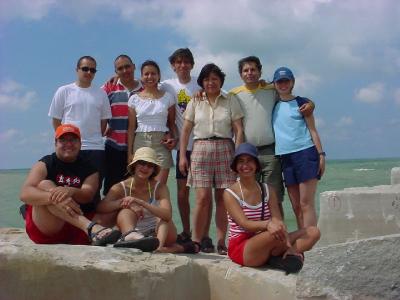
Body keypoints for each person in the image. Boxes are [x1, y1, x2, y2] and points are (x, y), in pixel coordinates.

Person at [229, 56, 314, 217]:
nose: (250, 73)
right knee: (250, 198)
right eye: (245, 70)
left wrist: (311, 104)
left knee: (273, 197)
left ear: (260, 71)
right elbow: (214, 94)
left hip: (271, 152)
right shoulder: (234, 94)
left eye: (253, 69)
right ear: (240, 74)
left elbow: (292, 96)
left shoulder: (271, 89)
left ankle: (280, 234)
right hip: (248, 153)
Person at [224, 143, 320, 273]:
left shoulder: (267, 190)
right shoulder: (230, 193)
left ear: (257, 165)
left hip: (268, 239)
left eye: (250, 161)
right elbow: (245, 224)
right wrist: (268, 224)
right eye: (241, 161)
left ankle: (287, 254)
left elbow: (278, 221)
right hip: (243, 248)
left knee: (313, 232)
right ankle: (281, 256)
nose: (245, 165)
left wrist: (282, 233)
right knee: (273, 233)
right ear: (235, 166)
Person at [179, 63, 244, 254]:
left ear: (221, 81)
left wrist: (238, 157)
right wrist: (182, 155)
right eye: (207, 79)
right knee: (202, 198)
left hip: (226, 148)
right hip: (200, 149)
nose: (211, 82)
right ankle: (196, 240)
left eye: (215, 79)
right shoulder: (195, 100)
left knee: (223, 199)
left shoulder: (230, 99)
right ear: (202, 82)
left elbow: (238, 129)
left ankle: (221, 241)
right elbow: (186, 130)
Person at [19, 124, 121, 246]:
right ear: (56, 143)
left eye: (73, 140)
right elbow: (25, 194)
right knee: (45, 185)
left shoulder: (90, 169)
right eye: (63, 140)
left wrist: (70, 191)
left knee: (120, 208)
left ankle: (129, 235)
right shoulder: (45, 164)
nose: (68, 144)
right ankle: (89, 227)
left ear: (80, 144)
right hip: (50, 227)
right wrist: (56, 196)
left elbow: (87, 195)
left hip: (76, 228)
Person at [97, 147, 194, 253]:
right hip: (133, 230)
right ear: (134, 165)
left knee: (162, 217)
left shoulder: (160, 188)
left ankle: (158, 247)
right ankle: (131, 236)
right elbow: (101, 207)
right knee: (125, 211)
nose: (145, 168)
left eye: (150, 165)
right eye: (142, 163)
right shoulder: (121, 187)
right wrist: (126, 202)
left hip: (160, 232)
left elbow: (167, 215)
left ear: (153, 170)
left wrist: (141, 203)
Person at [48, 55, 111, 192]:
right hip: (70, 149)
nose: (89, 72)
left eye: (93, 70)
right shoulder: (64, 91)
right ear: (77, 70)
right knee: (67, 189)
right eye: (85, 69)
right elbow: (56, 119)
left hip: (96, 149)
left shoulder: (101, 94)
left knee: (92, 192)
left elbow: (104, 121)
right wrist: (65, 141)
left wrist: (95, 137)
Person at [272, 67, 325, 229]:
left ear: (292, 82)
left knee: (306, 203)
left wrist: (321, 155)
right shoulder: (273, 103)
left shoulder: (302, 103)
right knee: (296, 206)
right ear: (274, 84)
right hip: (285, 157)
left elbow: (313, 130)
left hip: (305, 153)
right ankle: (303, 242)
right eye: (279, 81)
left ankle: (311, 239)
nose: (283, 84)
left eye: (286, 81)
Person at [159, 48, 202, 244]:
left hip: (202, 145)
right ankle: (186, 231)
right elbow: (144, 85)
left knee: (203, 195)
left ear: (192, 64)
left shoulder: (200, 84)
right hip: (182, 149)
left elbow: (224, 93)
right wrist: (114, 81)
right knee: (182, 193)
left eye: (186, 62)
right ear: (173, 66)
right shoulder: (167, 85)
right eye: (178, 62)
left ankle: (202, 235)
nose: (183, 65)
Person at [127, 60, 177, 184]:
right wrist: (129, 153)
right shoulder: (134, 99)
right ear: (142, 77)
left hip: (162, 143)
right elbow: (131, 128)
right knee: (141, 185)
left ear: (159, 76)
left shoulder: (168, 97)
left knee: (159, 187)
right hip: (141, 141)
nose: (150, 77)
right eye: (146, 74)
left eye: (153, 74)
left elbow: (171, 124)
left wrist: (173, 139)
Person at [102, 54, 143, 195]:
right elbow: (94, 108)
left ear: (134, 67)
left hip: (139, 148)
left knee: (137, 190)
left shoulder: (145, 88)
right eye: (120, 68)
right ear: (116, 72)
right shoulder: (108, 88)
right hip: (114, 147)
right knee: (111, 191)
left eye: (127, 66)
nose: (125, 70)